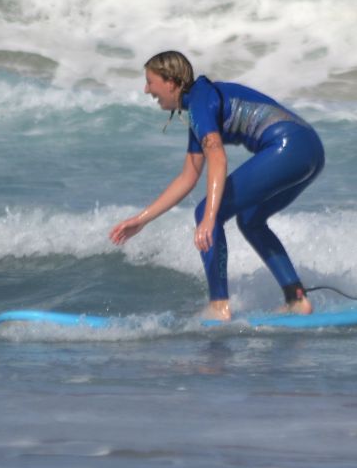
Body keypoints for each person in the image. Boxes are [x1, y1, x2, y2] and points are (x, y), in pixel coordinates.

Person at [109, 51, 324, 321]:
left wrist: (210, 217)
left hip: (288, 147)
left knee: (205, 212)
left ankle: (219, 305)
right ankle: (297, 299)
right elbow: (188, 177)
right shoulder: (201, 106)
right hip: (311, 150)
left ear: (171, 82)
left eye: (150, 82)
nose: (146, 89)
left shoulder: (200, 102)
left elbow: (218, 158)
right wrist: (141, 220)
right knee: (251, 220)